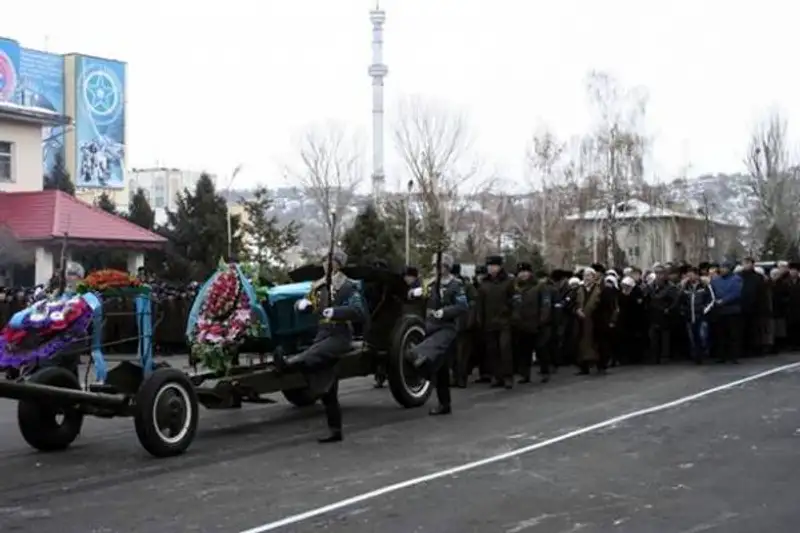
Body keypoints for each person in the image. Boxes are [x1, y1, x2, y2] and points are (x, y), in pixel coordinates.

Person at [273, 249, 367, 443]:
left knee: (312, 354)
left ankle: (289, 364)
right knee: (327, 387)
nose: (327, 264)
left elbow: (358, 311)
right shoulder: (319, 286)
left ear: (339, 264)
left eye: (331, 261)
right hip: (323, 333)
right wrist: (302, 306)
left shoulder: (348, 286)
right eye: (325, 260)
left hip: (340, 335)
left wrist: (337, 312)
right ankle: (335, 430)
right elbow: (310, 304)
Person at [406, 253, 469, 415]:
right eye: (435, 266)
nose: (437, 269)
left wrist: (445, 312)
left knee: (423, 356)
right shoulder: (430, 283)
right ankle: (444, 403)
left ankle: (442, 400)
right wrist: (414, 293)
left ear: (447, 268)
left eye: (440, 266)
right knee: (439, 370)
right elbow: (414, 293)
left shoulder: (456, 285)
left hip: (446, 329)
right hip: (431, 327)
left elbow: (462, 306)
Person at [477, 255, 515, 388]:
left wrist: (512, 316)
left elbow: (514, 301)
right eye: (489, 266)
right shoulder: (484, 283)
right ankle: (496, 376)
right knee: (492, 350)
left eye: (493, 266)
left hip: (504, 321)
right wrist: (479, 320)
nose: (491, 269)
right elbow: (480, 304)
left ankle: (508, 376)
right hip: (489, 321)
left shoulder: (509, 282)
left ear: (499, 267)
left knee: (505, 349)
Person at [709, 260, 743, 364]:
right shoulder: (715, 280)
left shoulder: (736, 279)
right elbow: (711, 292)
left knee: (733, 334)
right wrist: (714, 301)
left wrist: (723, 300)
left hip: (732, 310)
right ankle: (721, 355)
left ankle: (734, 356)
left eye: (725, 268)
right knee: (720, 335)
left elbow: (736, 293)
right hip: (719, 311)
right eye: (721, 267)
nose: (722, 270)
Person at [679, 266, 715, 364]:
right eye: (688, 275)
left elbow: (711, 299)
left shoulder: (704, 286)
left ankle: (703, 352)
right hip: (690, 315)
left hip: (701, 315)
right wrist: (683, 310)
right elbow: (681, 300)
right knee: (692, 337)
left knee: (702, 335)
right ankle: (696, 356)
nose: (690, 277)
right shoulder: (685, 286)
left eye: (692, 274)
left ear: (697, 275)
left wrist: (705, 310)